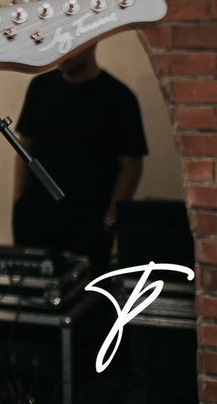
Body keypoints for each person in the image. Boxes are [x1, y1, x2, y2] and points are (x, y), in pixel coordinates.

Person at [13, 45, 147, 275]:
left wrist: (108, 222)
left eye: (69, 45)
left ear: (91, 42)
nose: (60, 52)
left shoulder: (119, 97)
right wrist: (18, 205)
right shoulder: (40, 86)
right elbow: (24, 146)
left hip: (87, 230)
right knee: (32, 303)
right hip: (35, 223)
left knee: (88, 305)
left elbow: (132, 165)